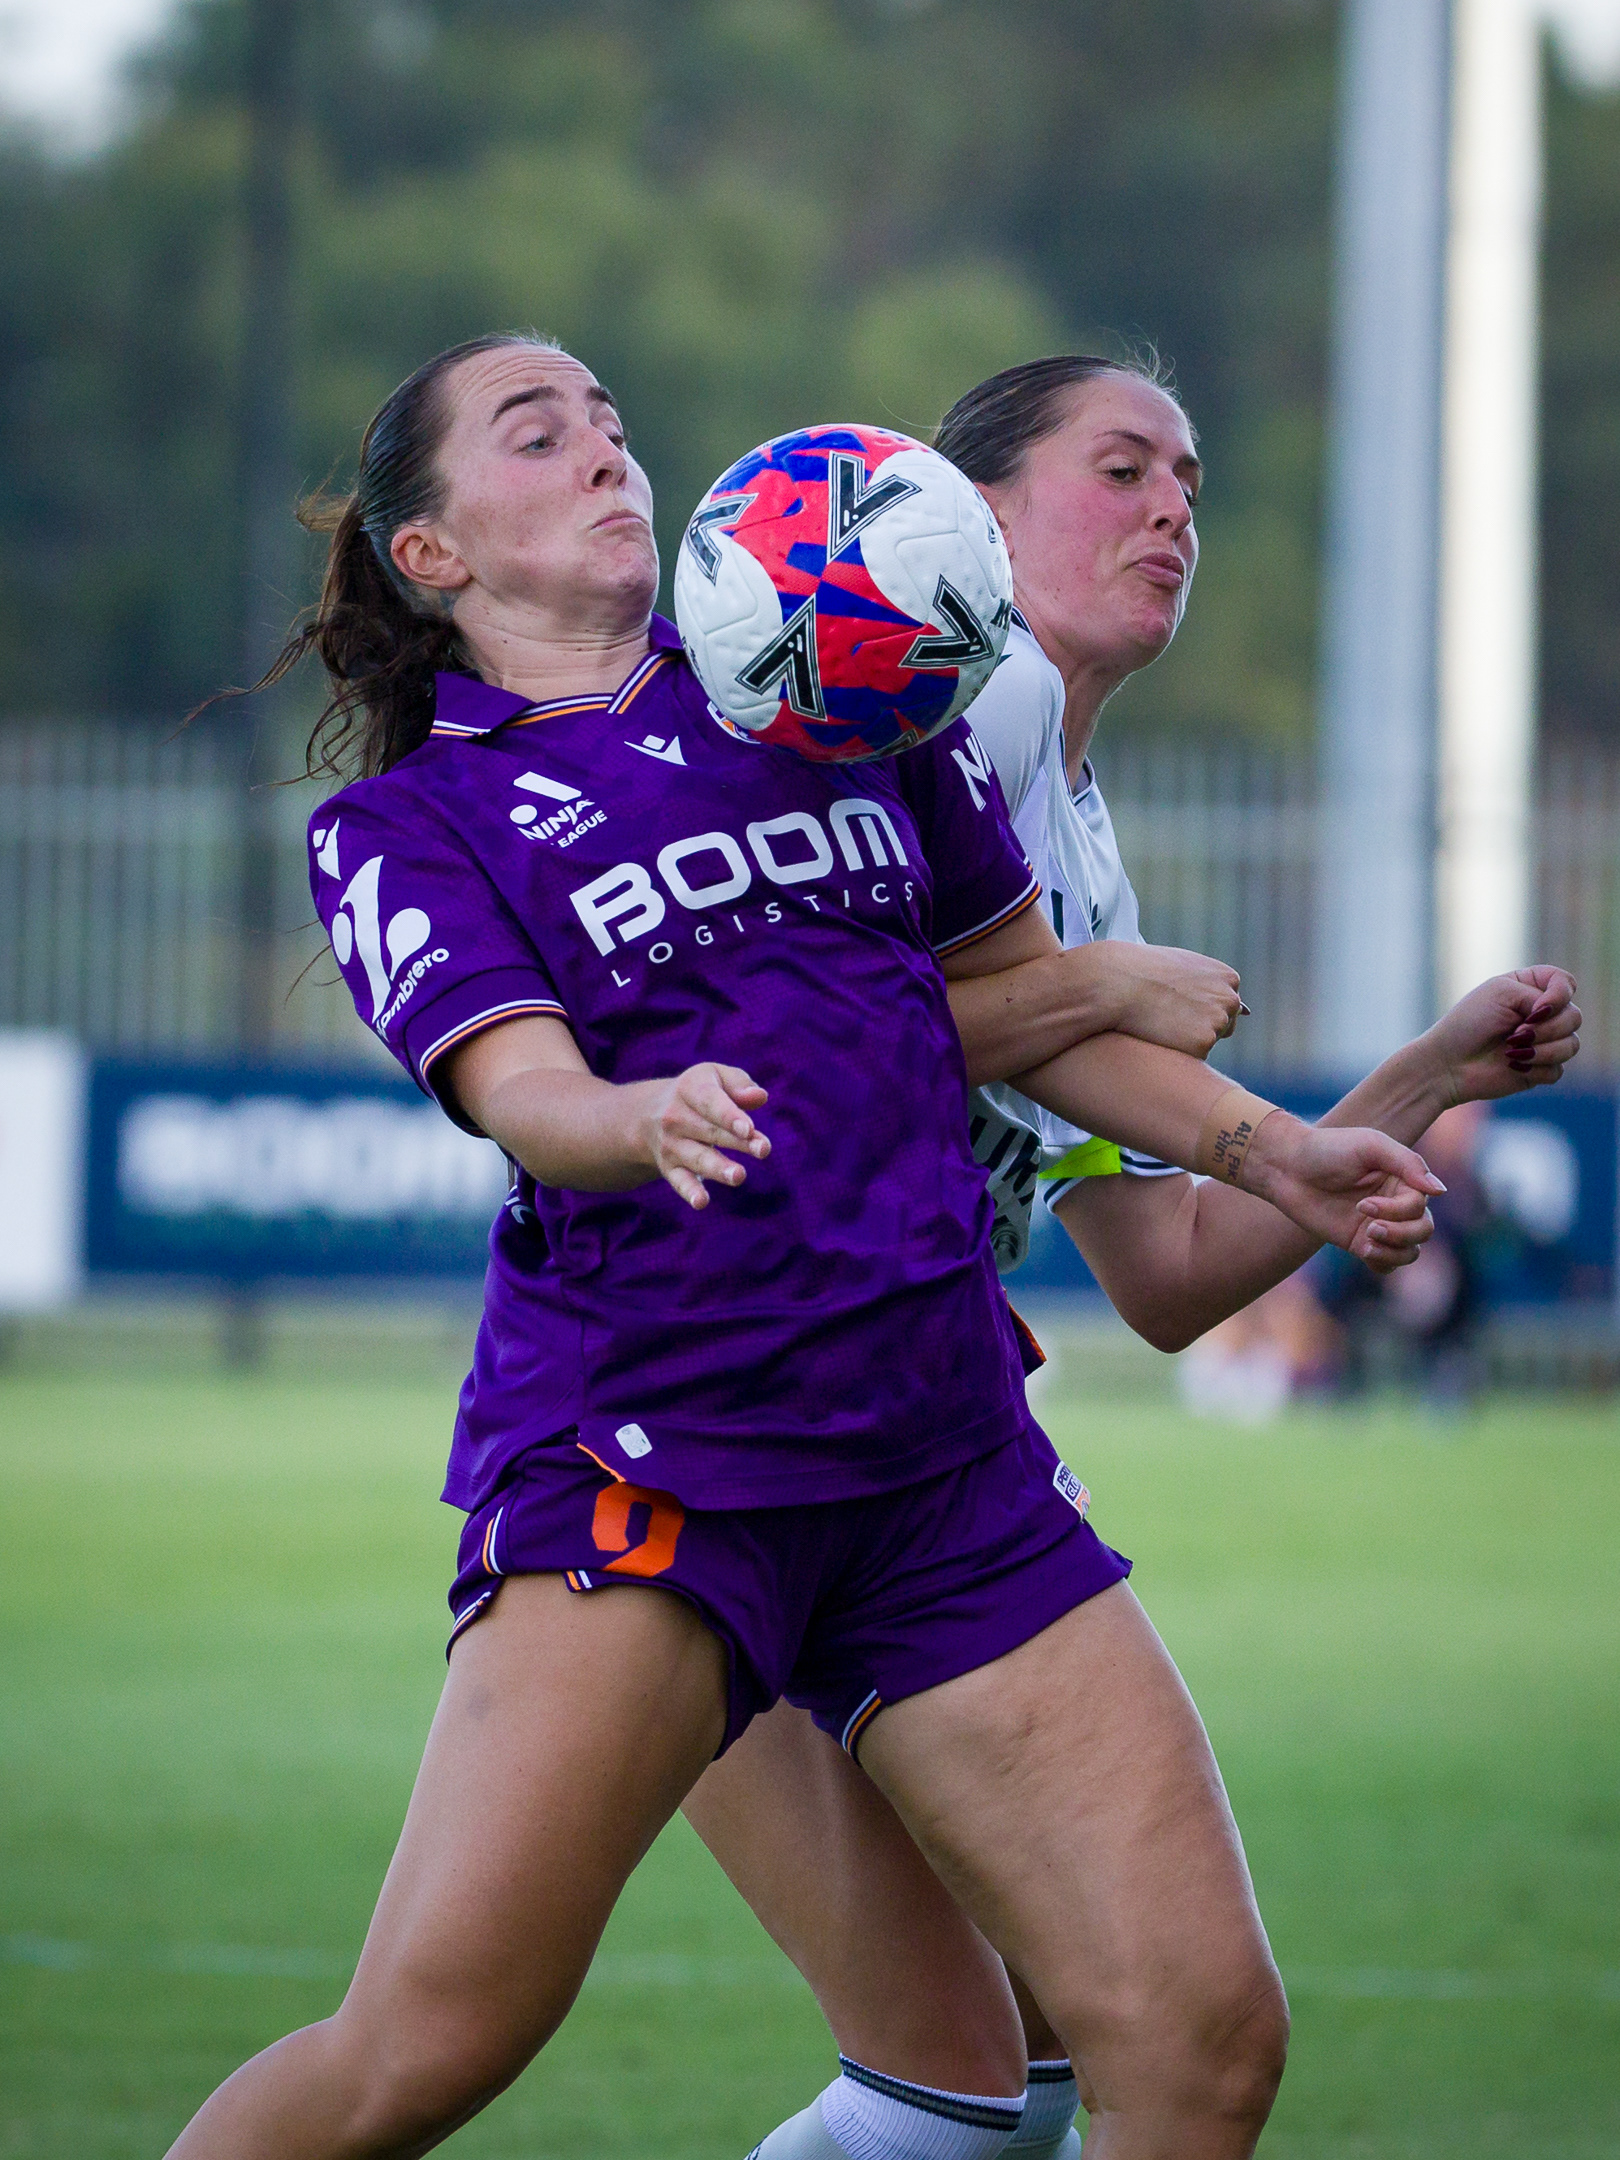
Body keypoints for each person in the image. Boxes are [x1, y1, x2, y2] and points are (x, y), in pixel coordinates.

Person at [165, 331, 1451, 2160]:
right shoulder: (410, 822)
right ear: (431, 552)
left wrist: (1280, 1150)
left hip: (946, 1459)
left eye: (612, 421)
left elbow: (1030, 1017)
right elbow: (527, 1092)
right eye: (538, 436)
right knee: (426, 2048)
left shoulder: (829, 697)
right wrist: (638, 1118)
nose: (605, 452)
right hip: (657, 1468)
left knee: (1203, 2040)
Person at [675, 356, 1582, 2160]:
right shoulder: (974, 698)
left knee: (1012, 2078)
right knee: (1072, 2064)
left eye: (1189, 482)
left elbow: (1165, 1269)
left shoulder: (1068, 832)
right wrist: (1097, 994)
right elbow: (788, 1041)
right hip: (742, 1421)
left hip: (894, 1424)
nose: (1174, 510)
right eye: (1123, 469)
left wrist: (1415, 1083)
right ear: (972, 515)